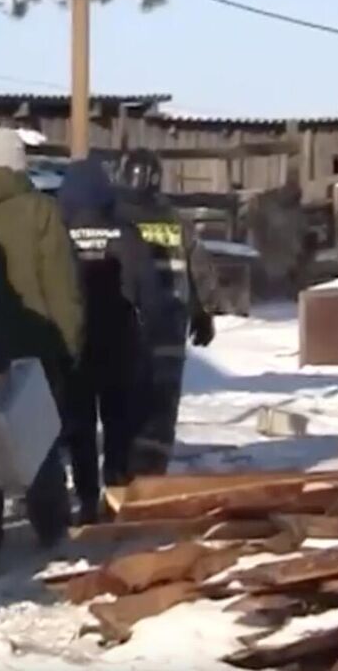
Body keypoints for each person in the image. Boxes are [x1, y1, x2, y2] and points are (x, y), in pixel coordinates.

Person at [0, 128, 83, 566]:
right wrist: (69, 344)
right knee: (39, 435)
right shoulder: (40, 212)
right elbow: (61, 286)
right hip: (34, 342)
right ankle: (49, 526)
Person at [57, 155, 164, 523]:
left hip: (75, 345)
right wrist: (151, 332)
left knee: (80, 426)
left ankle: (87, 499)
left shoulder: (59, 234)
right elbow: (150, 293)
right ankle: (116, 491)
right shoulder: (126, 235)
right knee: (119, 424)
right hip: (120, 343)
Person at [114, 149, 221, 476]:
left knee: (123, 404)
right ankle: (151, 477)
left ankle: (120, 475)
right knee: (161, 409)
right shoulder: (176, 222)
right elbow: (201, 271)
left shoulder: (115, 219)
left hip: (125, 330)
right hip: (169, 331)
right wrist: (205, 313)